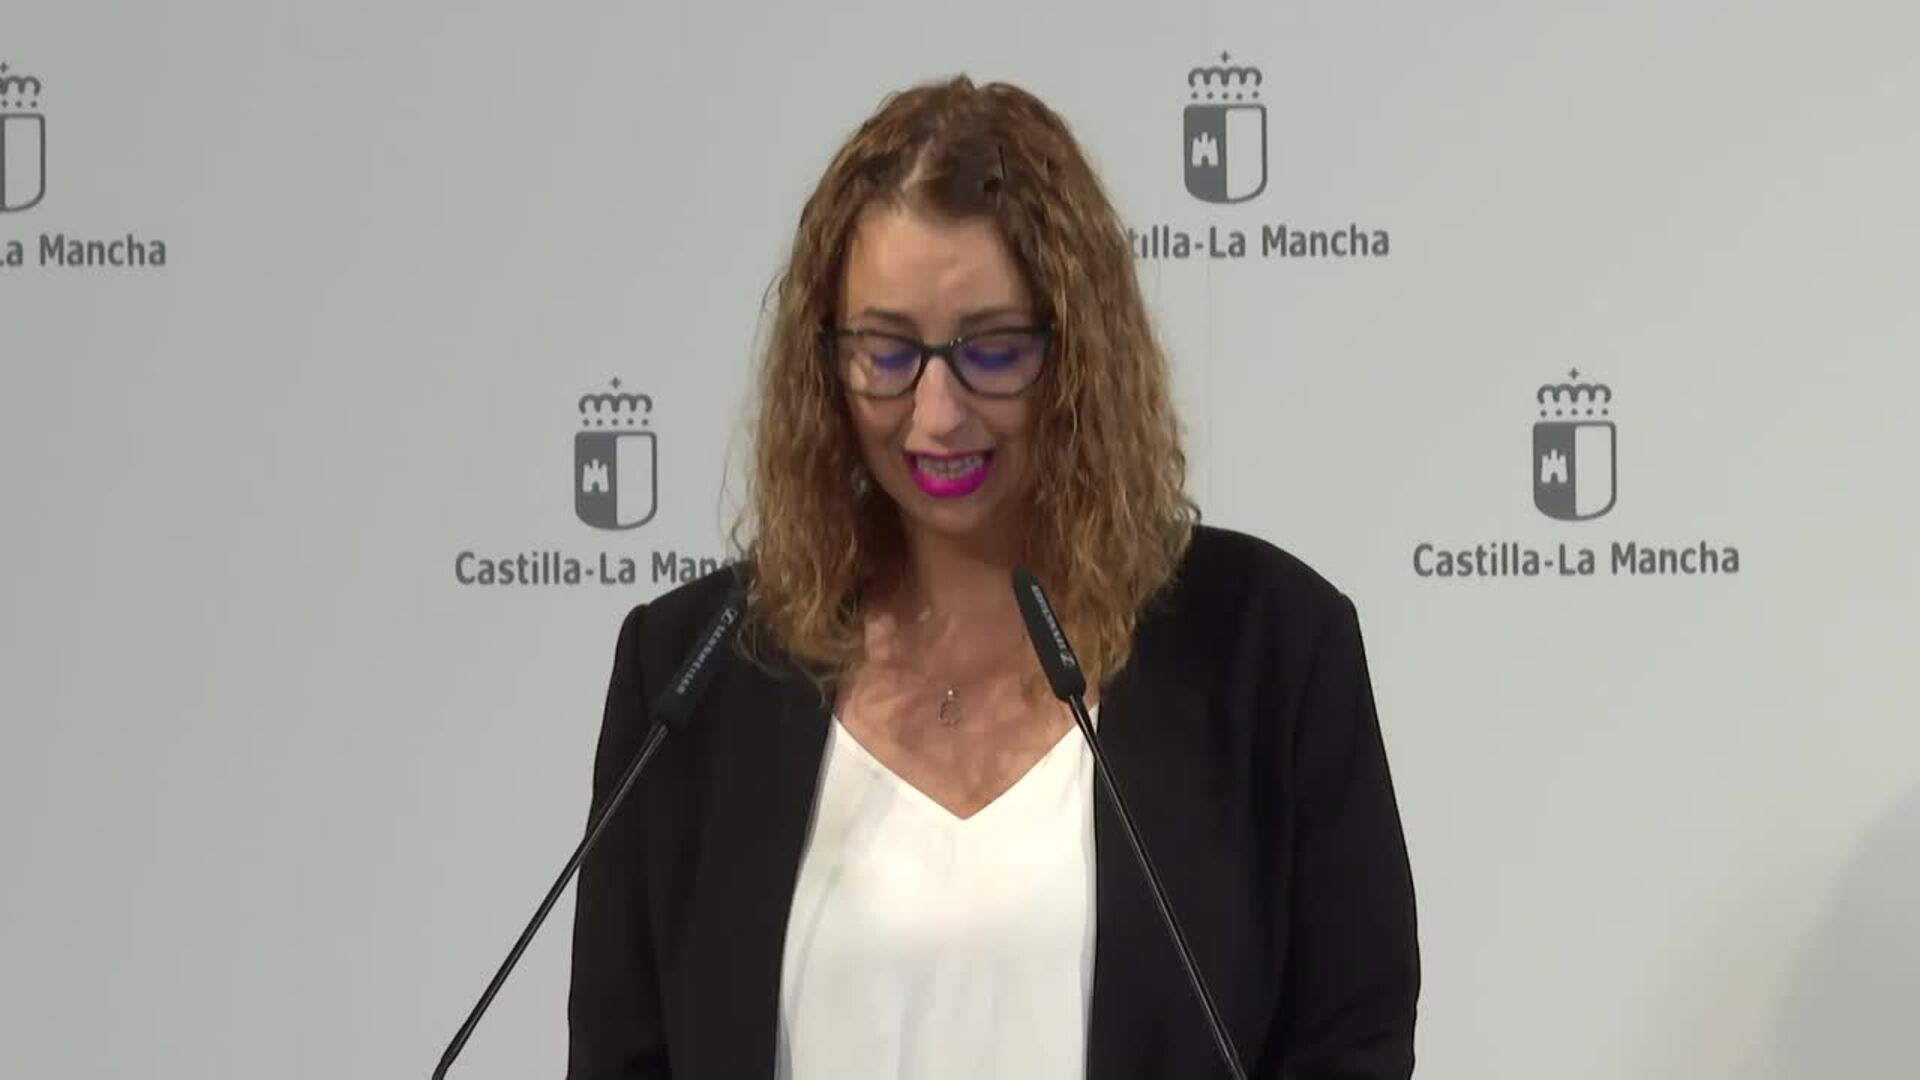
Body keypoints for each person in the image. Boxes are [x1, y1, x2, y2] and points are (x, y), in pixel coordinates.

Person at [567, 76, 1418, 1079]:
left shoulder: (1270, 649)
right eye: (886, 352)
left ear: (1081, 355)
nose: (936, 414)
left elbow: (1350, 1044)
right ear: (824, 363)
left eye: (994, 351)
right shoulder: (692, 671)